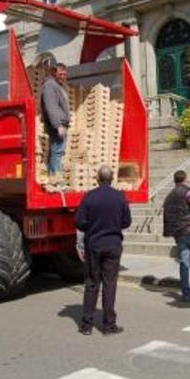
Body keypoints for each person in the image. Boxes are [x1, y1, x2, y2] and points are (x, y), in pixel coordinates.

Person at [75, 165, 132, 336]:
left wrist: (92, 226)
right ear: (112, 178)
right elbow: (126, 222)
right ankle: (108, 325)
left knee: (92, 283)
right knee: (110, 284)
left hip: (94, 244)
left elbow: (79, 222)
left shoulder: (89, 197)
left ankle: (86, 325)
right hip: (113, 243)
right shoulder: (120, 197)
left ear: (97, 179)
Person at [162, 170, 190, 301]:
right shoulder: (188, 192)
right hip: (189, 229)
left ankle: (186, 293)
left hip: (178, 232)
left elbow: (166, 215)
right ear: (185, 179)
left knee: (184, 260)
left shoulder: (169, 196)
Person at [40, 62, 70, 179]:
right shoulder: (49, 85)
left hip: (61, 123)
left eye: (64, 74)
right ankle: (57, 182)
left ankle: (54, 179)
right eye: (60, 74)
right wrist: (58, 125)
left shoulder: (57, 85)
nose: (63, 76)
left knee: (57, 151)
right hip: (57, 124)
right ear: (53, 72)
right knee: (57, 152)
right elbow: (51, 106)